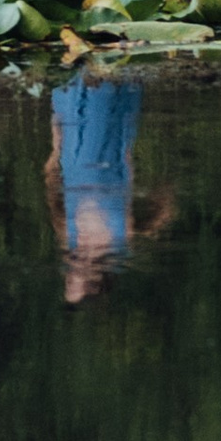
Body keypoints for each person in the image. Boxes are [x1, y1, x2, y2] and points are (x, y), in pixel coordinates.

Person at [42, 76, 175, 304]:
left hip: (74, 159)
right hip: (108, 159)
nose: (69, 275)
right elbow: (149, 212)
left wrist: (55, 151)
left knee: (72, 92)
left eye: (68, 281)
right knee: (103, 104)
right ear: (93, 281)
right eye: (74, 282)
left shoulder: (69, 240)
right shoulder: (120, 240)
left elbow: (54, 199)